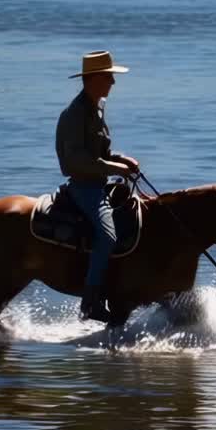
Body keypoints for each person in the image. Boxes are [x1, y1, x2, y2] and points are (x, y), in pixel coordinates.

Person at [56, 50, 141, 322]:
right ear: (93, 79)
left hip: (100, 184)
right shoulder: (74, 114)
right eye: (109, 77)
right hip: (84, 187)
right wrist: (117, 168)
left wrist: (121, 158)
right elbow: (76, 160)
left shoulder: (97, 108)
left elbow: (101, 152)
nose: (113, 83)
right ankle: (90, 303)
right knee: (107, 237)